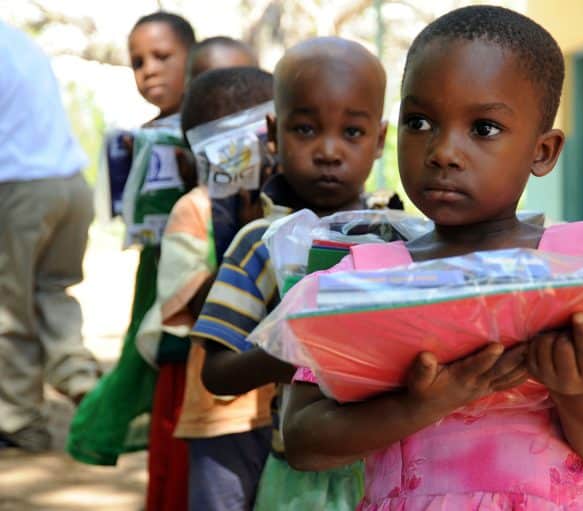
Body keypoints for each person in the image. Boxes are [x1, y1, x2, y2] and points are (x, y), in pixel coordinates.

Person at [280, 7, 583, 509]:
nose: (443, 151)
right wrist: (422, 405)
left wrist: (578, 389)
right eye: (420, 121)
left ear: (543, 151)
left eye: (485, 128)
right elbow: (300, 439)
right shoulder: (364, 278)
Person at [189, 37, 391, 510]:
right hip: (302, 478)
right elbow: (216, 374)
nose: (328, 151)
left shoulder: (399, 237)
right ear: (274, 135)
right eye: (305, 129)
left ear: (380, 140)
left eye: (353, 133)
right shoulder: (260, 242)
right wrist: (296, 353)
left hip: (395, 470)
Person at [67, 11, 195, 469]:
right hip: (155, 272)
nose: (150, 70)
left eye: (162, 56)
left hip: (198, 278)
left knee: (181, 368)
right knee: (149, 357)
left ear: (194, 60)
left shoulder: (212, 130)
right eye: (138, 61)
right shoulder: (141, 135)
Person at [169, 66, 276, 511]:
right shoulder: (193, 211)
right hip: (220, 414)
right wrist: (248, 238)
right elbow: (193, 301)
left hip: (289, 409)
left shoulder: (296, 203)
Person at [0, 21, 101, 453]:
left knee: (8, 309)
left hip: (20, 187)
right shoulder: (17, 40)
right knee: (53, 293)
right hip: (69, 183)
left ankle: (19, 422)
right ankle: (87, 390)